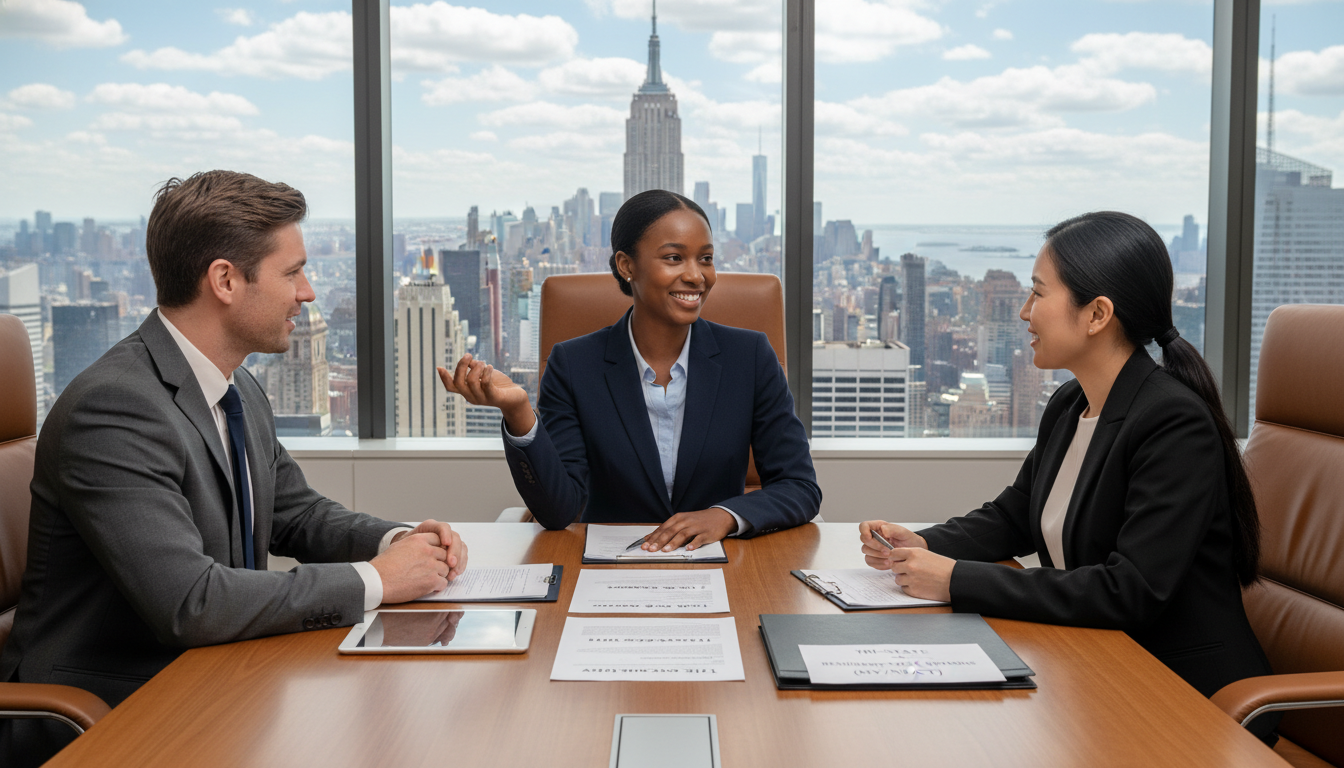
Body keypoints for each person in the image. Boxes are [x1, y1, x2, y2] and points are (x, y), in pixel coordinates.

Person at [0, 171, 468, 765]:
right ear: (224, 280)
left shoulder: (237, 386)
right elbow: (190, 602)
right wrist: (379, 580)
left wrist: (400, 540)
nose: (308, 292)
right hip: (113, 711)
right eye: (293, 271)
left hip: (217, 681)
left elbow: (295, 513)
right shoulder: (114, 409)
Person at [859, 211, 1277, 740]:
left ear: (1097, 314)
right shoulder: (1071, 403)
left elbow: (1130, 591)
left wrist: (955, 580)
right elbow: (1015, 515)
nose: (1025, 312)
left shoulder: (1174, 424)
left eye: (1038, 294)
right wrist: (920, 540)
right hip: (1099, 669)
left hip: (1183, 697)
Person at [440, 189, 820, 551]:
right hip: (606, 575)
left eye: (705, 258)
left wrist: (724, 515)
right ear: (626, 266)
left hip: (720, 569)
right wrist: (519, 411)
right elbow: (559, 512)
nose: (696, 275)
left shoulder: (749, 356)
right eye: (674, 258)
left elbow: (800, 486)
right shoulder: (573, 365)